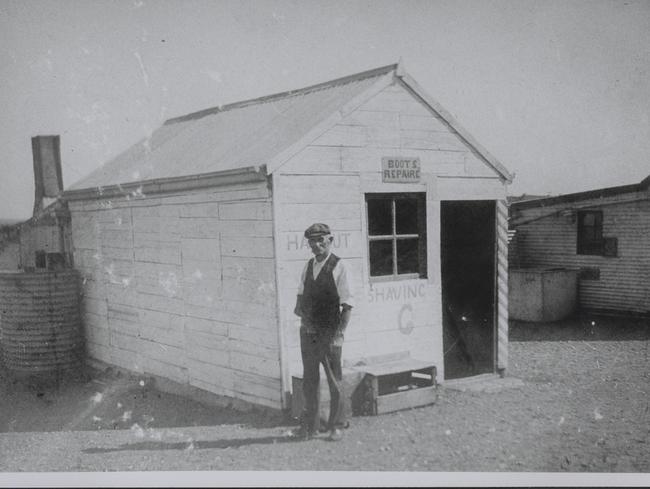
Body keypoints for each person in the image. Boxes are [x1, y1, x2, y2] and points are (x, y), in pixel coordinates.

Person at [291, 223, 353, 441]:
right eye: (312, 242)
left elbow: (347, 305)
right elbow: (299, 302)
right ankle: (311, 426)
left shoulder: (339, 267)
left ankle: (337, 425)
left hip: (329, 332)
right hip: (308, 332)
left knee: (334, 379)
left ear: (330, 240)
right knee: (310, 380)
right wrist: (305, 320)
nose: (316, 246)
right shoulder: (308, 266)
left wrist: (338, 335)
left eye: (321, 241)